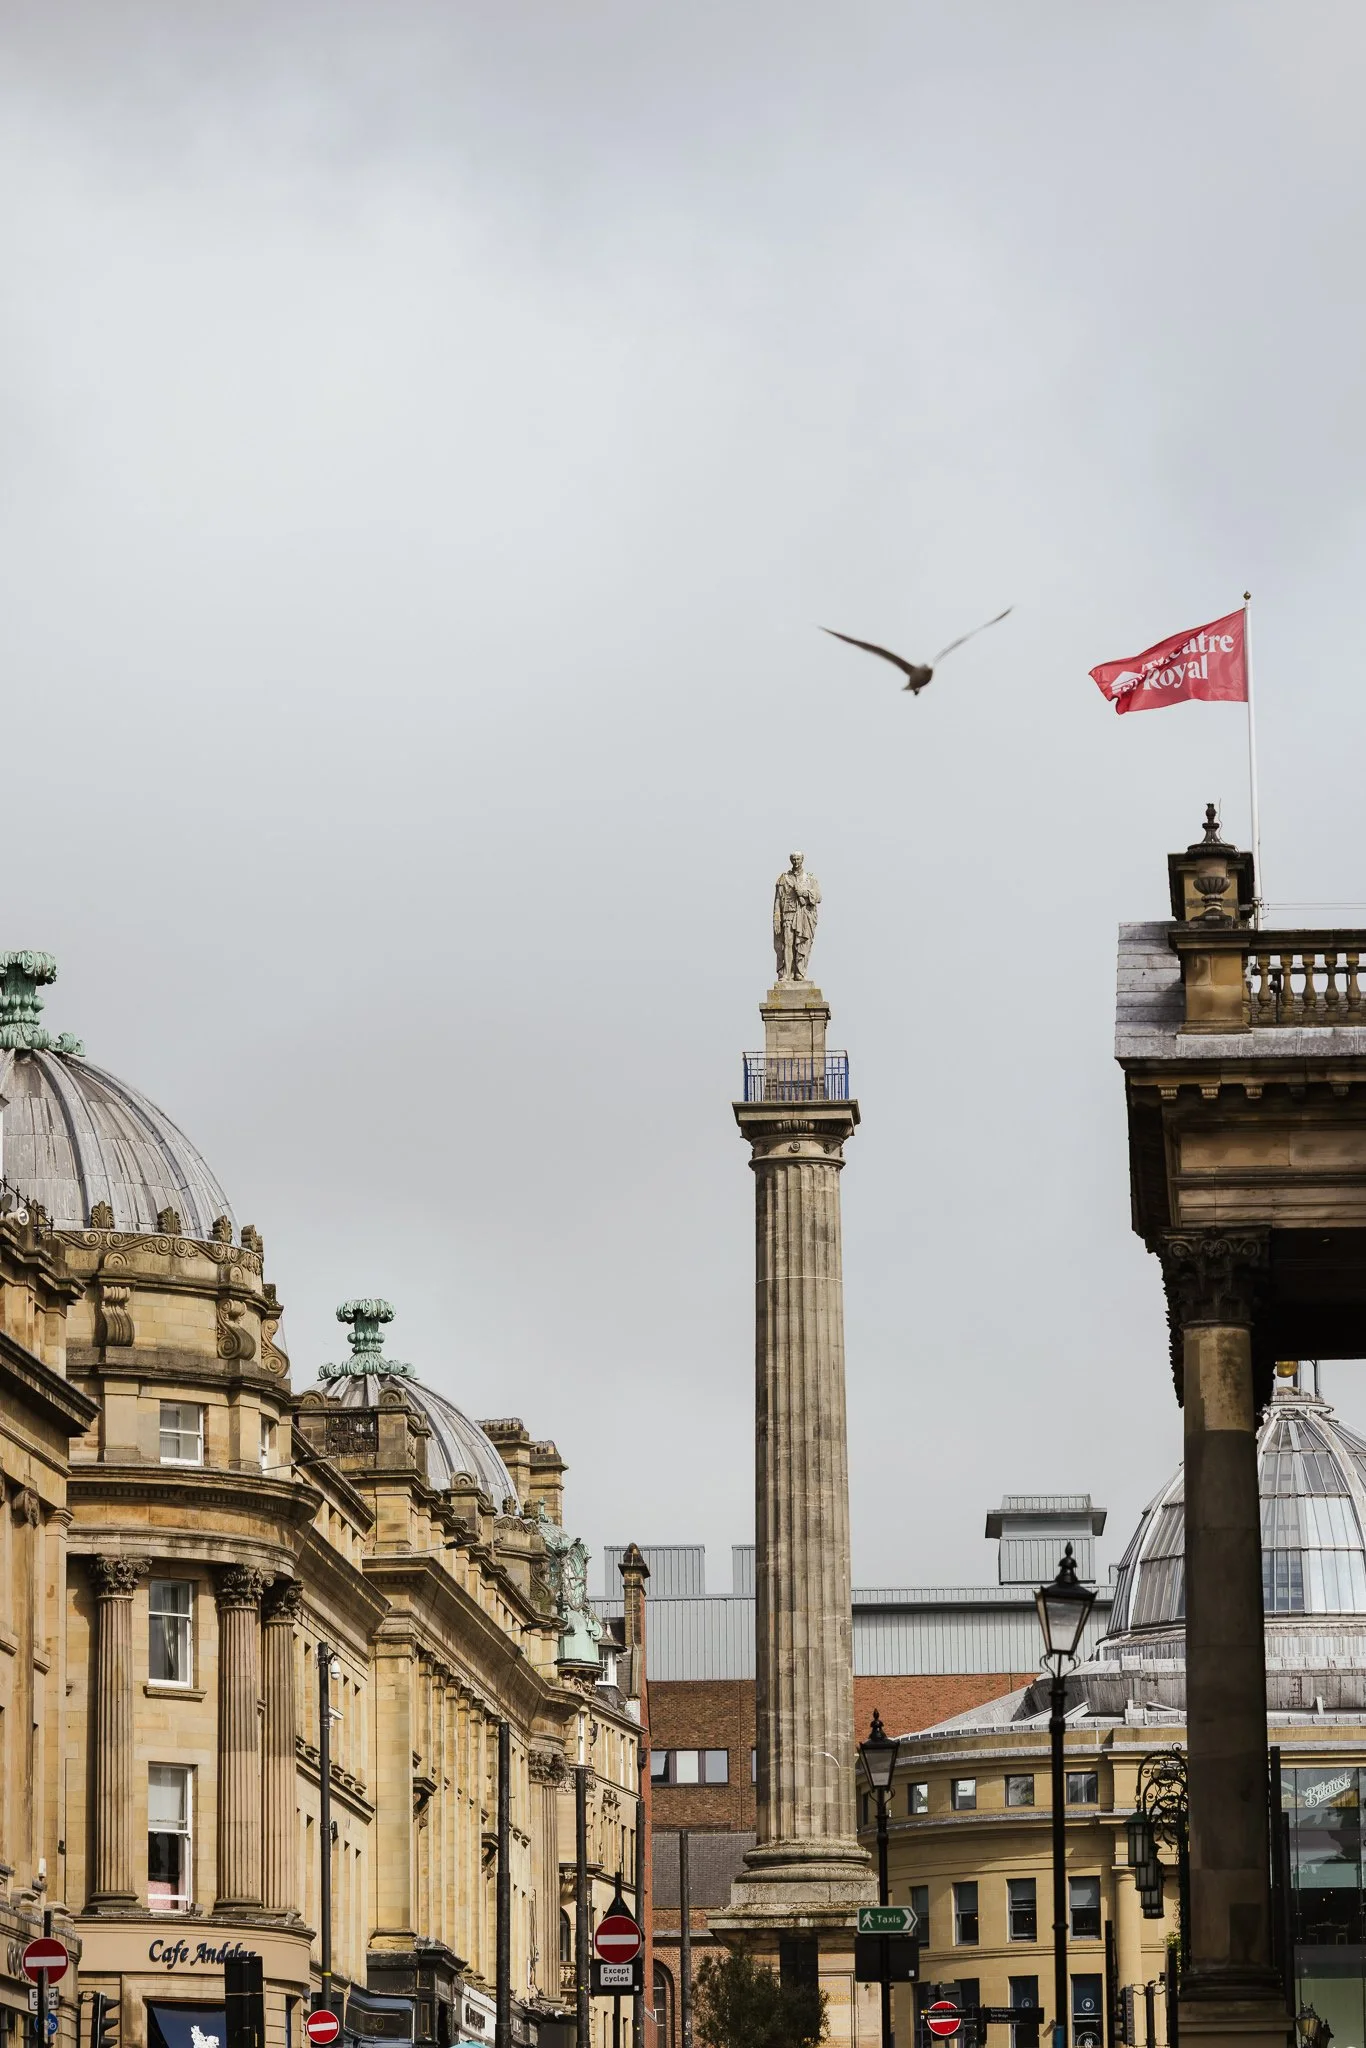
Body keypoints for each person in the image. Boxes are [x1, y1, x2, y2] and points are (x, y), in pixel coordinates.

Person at [773, 852, 821, 982]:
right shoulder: (784, 878)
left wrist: (804, 893)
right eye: (793, 859)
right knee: (787, 943)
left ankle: (800, 972)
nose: (796, 862)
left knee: (801, 944)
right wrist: (776, 918)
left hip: (804, 915)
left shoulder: (809, 878)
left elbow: (818, 897)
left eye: (798, 859)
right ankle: (787, 974)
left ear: (802, 860)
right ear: (791, 860)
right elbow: (777, 899)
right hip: (788, 913)